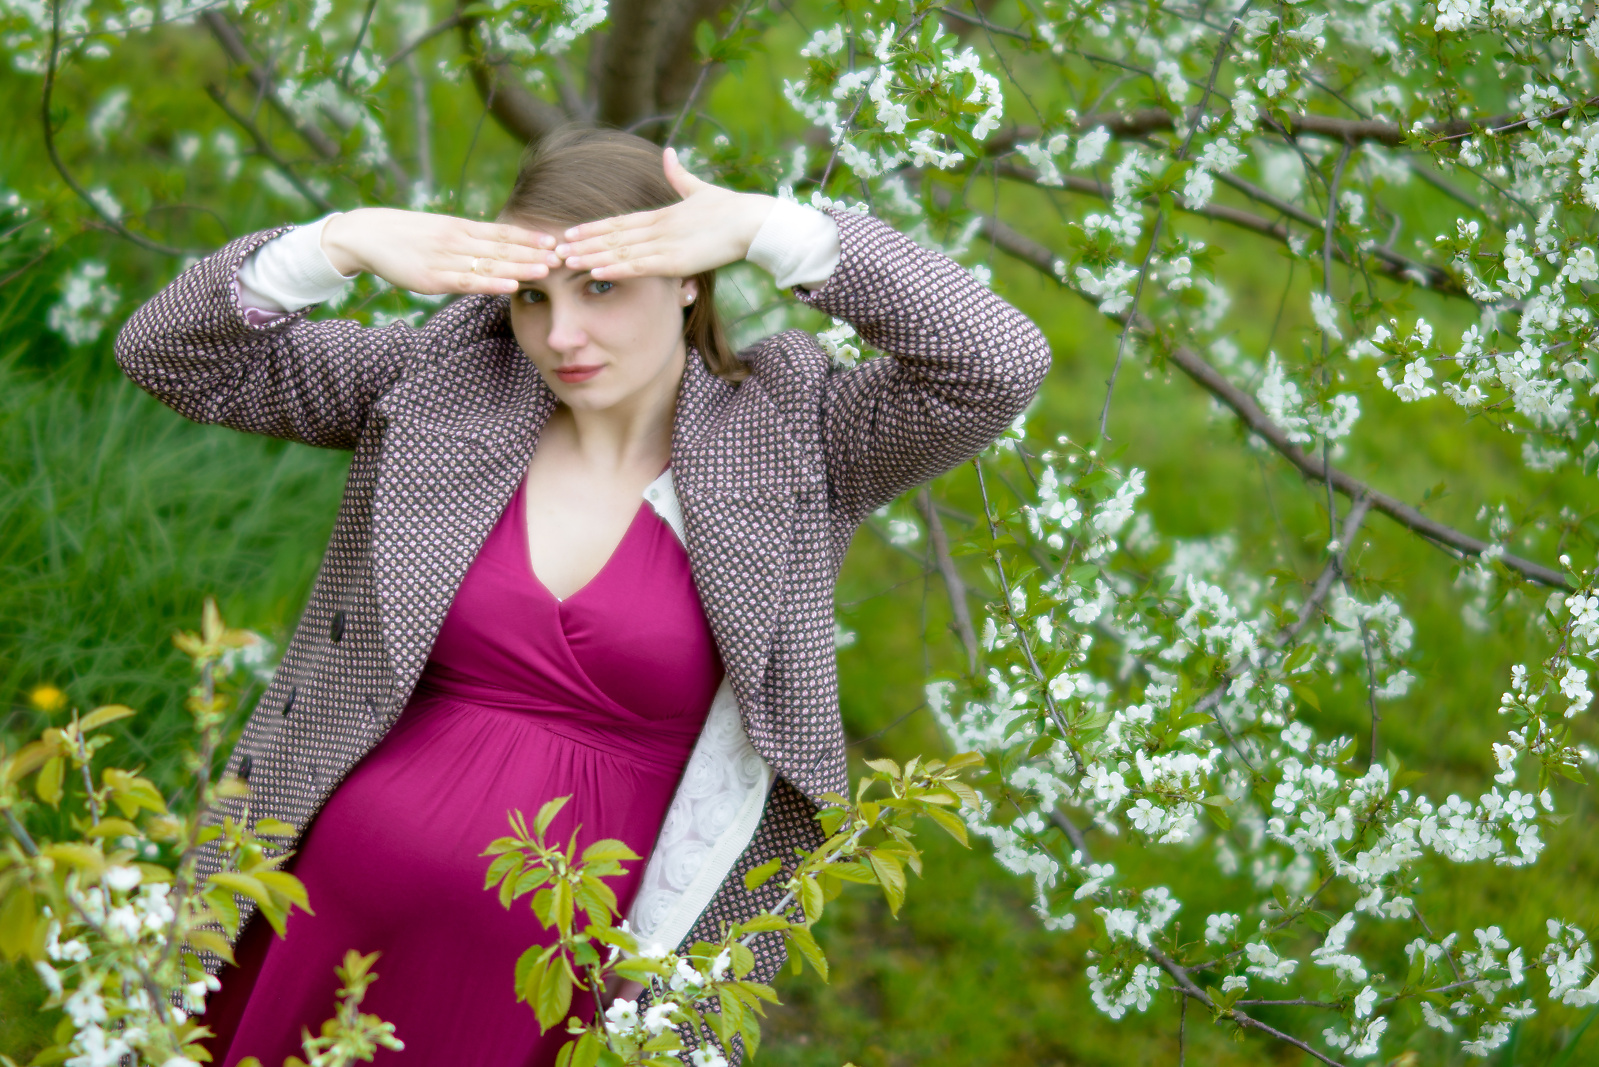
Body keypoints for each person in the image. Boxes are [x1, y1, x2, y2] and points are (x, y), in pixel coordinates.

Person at [115, 126, 1050, 1066]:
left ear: (688, 276)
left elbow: (996, 364)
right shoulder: (442, 388)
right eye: (533, 296)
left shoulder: (797, 435)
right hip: (321, 912)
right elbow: (170, 355)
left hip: (568, 974)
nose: (561, 335)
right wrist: (336, 243)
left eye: (601, 287)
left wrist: (778, 230)